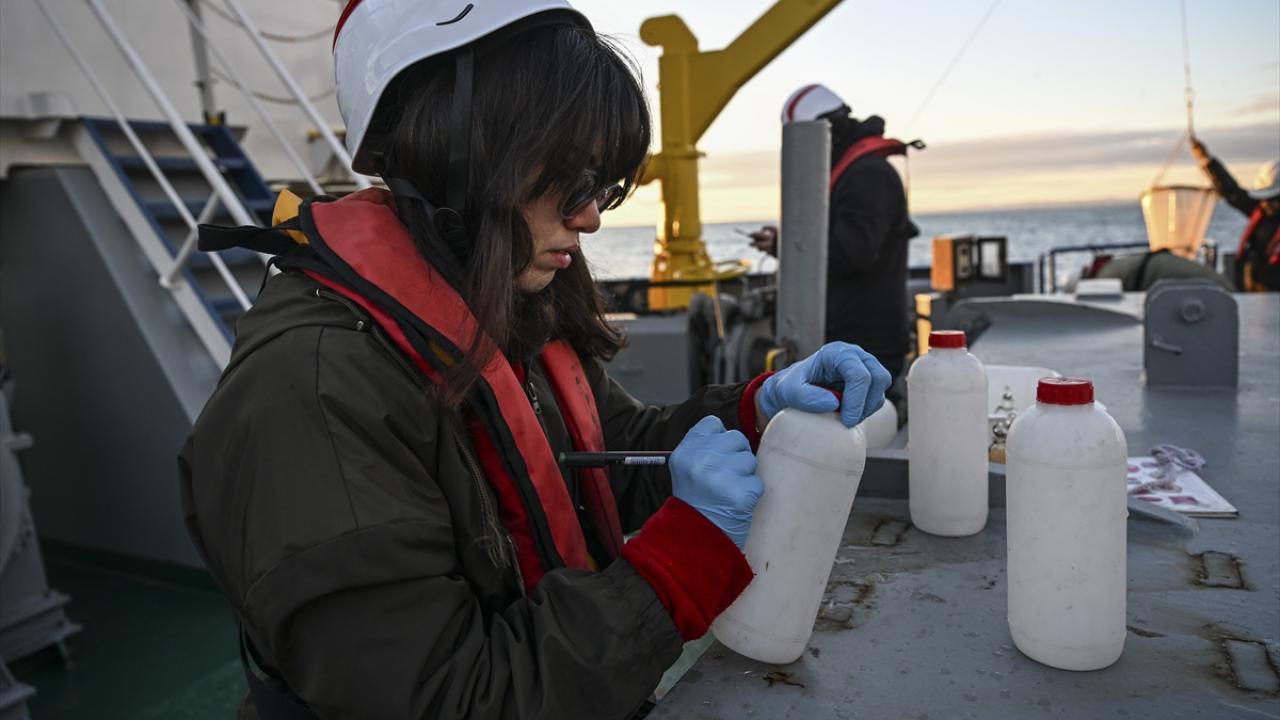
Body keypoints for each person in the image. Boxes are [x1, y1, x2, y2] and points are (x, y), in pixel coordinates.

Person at [178, 3, 891, 719]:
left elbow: (615, 454)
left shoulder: (506, 307)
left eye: (602, 185)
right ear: (461, 148)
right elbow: (450, 698)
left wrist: (755, 412)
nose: (592, 217)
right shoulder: (315, 389)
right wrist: (675, 568)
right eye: (571, 178)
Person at [749, 84, 921, 381]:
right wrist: (784, 242)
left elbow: (851, 254)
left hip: (865, 345)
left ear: (827, 131)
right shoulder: (855, 172)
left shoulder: (868, 175)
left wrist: (785, 245)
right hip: (850, 342)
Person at [1190, 137, 1280, 291]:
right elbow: (1231, 191)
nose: (1266, 204)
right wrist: (1206, 160)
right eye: (1263, 199)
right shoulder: (1260, 212)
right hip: (1256, 292)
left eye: (1273, 199)